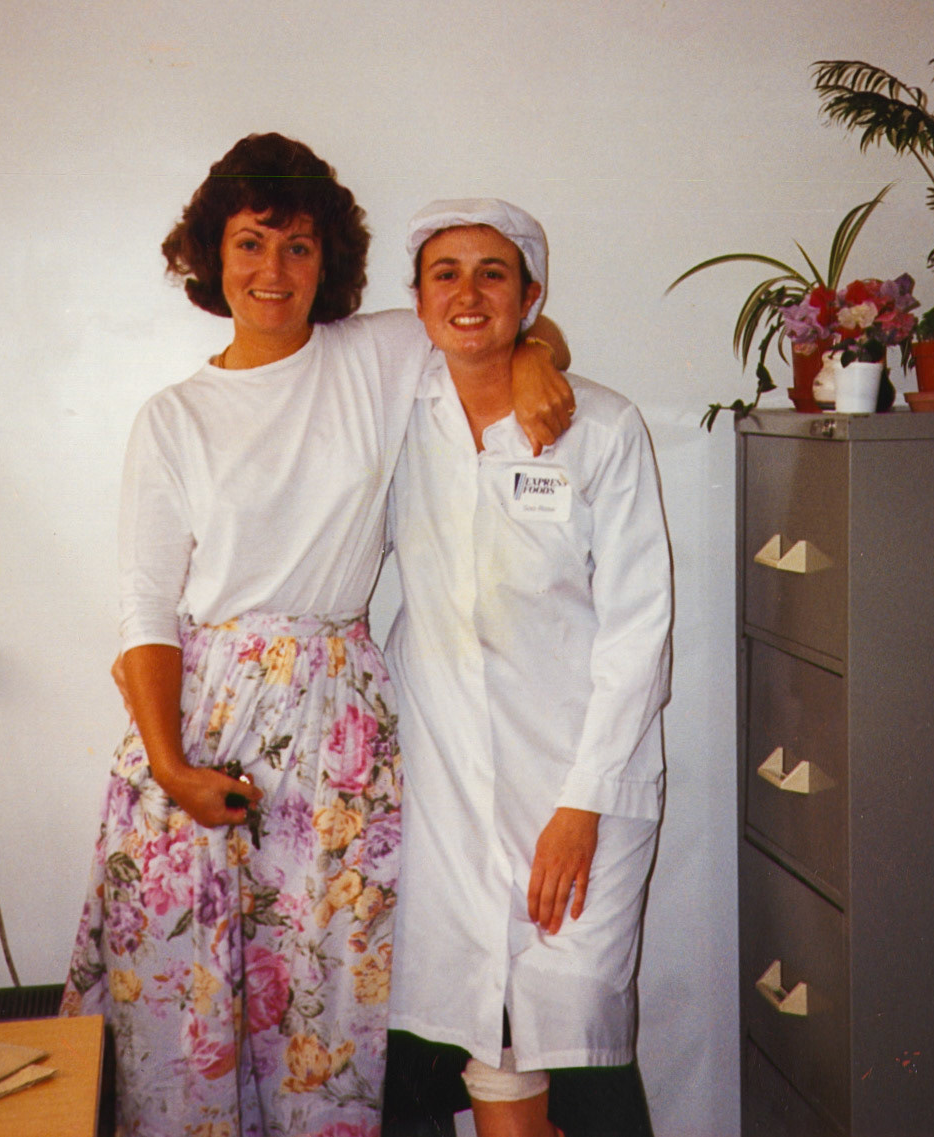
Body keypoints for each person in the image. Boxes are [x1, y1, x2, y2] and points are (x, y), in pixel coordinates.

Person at [60, 136, 572, 1137]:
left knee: (323, 1008)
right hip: (195, 727)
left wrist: (540, 359)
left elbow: (480, 321)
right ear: (211, 255)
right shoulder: (173, 419)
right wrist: (170, 763)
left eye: (298, 247)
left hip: (337, 726)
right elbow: (143, 613)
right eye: (250, 243)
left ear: (327, 262)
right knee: (182, 1007)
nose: (272, 271)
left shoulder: (375, 354)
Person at [381, 201, 672, 1137]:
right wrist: (536, 346)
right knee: (481, 1032)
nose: (467, 292)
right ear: (417, 300)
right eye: (445, 273)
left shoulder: (603, 428)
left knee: (572, 1026)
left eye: (494, 273)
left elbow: (640, 629)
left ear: (531, 293)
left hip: (577, 776)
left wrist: (581, 806)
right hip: (445, 782)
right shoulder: (398, 405)